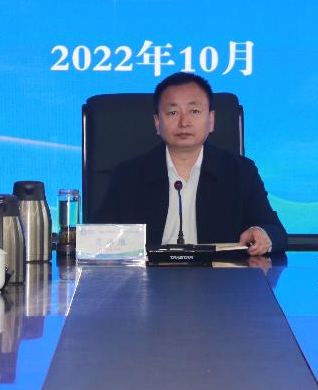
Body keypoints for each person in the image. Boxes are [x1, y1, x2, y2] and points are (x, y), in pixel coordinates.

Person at [94, 72, 287, 255]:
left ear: (211, 120)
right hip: (148, 275)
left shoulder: (240, 172)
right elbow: (97, 239)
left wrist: (262, 234)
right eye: (172, 112)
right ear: (157, 123)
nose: (184, 122)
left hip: (219, 277)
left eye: (194, 111)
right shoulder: (128, 175)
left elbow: (275, 231)